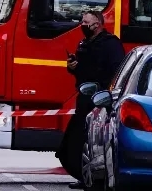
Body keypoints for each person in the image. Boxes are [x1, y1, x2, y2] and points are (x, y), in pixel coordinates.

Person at [58, 10, 125, 189]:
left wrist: (83, 70)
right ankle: (83, 175)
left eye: (86, 22)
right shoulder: (84, 43)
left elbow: (112, 72)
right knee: (73, 142)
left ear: (97, 24)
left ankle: (88, 177)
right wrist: (72, 66)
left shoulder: (110, 44)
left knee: (86, 140)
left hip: (100, 99)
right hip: (85, 98)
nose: (83, 25)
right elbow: (82, 70)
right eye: (82, 21)